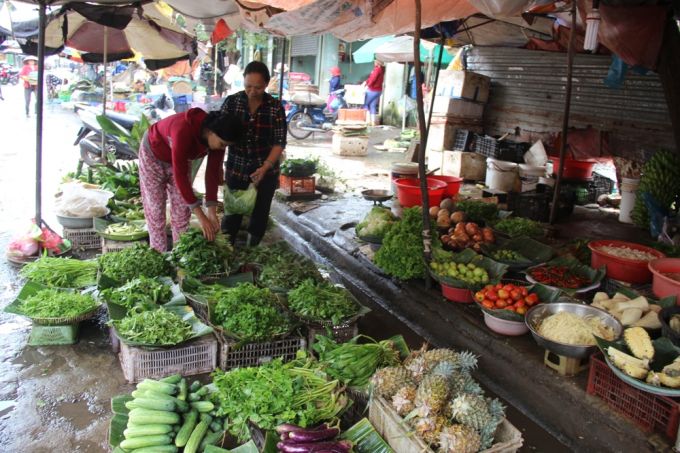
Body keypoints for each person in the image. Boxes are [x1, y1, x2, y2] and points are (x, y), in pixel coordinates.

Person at [139, 108, 242, 252]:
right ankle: (158, 256)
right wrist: (201, 217)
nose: (223, 148)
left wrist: (211, 213)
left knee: (182, 212)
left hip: (179, 158)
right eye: (223, 144)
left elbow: (212, 174)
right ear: (211, 132)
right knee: (156, 212)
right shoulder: (183, 130)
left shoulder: (218, 140)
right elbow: (180, 175)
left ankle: (179, 256)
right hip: (153, 155)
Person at [220, 61, 286, 247]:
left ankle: (251, 250)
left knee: (260, 214)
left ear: (266, 84)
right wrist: (217, 167)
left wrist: (265, 167)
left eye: (257, 87)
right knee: (232, 214)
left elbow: (279, 142)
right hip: (236, 169)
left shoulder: (275, 108)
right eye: (248, 86)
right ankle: (227, 249)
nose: (252, 91)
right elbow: (220, 138)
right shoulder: (232, 103)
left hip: (266, 172)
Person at [362, 59, 385, 126]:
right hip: (378, 91)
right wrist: (365, 82)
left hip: (372, 90)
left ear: (377, 62)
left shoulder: (377, 70)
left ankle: (367, 121)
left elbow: (373, 79)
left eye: (375, 61)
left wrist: (367, 86)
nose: (374, 62)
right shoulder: (381, 70)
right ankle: (373, 122)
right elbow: (371, 78)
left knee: (365, 104)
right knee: (372, 106)